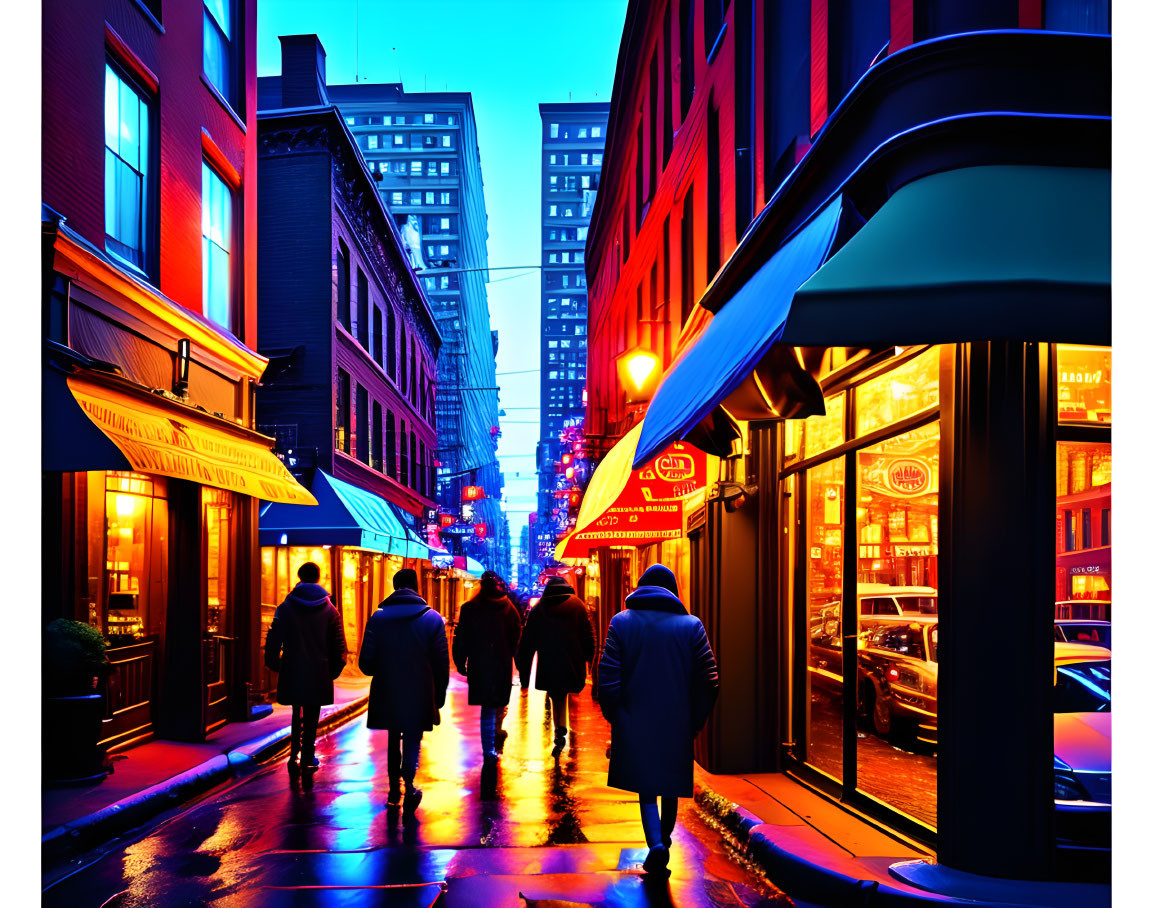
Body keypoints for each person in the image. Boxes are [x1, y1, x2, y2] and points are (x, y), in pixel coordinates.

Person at [597, 564, 719, 875]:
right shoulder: (692, 626)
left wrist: (616, 716)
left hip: (634, 719)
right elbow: (709, 680)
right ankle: (665, 838)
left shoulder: (620, 623)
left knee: (646, 788)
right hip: (677, 721)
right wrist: (696, 720)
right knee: (671, 783)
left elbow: (608, 678)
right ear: (673, 592)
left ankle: (656, 844)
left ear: (640, 588)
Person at [359, 568, 449, 817]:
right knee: (412, 737)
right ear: (417, 587)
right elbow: (441, 663)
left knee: (392, 738)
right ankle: (409, 785)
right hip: (420, 689)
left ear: (395, 586)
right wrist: (438, 695)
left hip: (387, 689)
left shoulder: (378, 618)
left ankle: (392, 791)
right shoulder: (432, 619)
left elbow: (365, 664)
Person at [264, 562, 347, 776]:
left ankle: (294, 754)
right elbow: (338, 644)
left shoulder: (285, 607)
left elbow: (274, 637)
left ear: (299, 577)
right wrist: (334, 669)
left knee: (296, 711)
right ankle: (308, 754)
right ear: (318, 578)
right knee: (312, 713)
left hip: (293, 666)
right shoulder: (330, 609)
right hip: (319, 669)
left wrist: (274, 662)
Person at [516, 575, 595, 758]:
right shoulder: (578, 606)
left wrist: (524, 674)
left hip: (549, 662)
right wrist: (590, 659)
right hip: (572, 662)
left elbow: (527, 643)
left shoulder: (539, 609)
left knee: (556, 694)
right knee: (563, 692)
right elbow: (588, 636)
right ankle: (561, 729)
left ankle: (559, 729)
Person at [452, 571, 522, 768]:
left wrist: (460, 660)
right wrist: (515, 659)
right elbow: (516, 637)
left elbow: (461, 637)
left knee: (486, 708)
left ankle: (487, 748)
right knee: (497, 704)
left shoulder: (470, 608)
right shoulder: (509, 609)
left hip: (479, 664)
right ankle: (495, 736)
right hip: (501, 663)